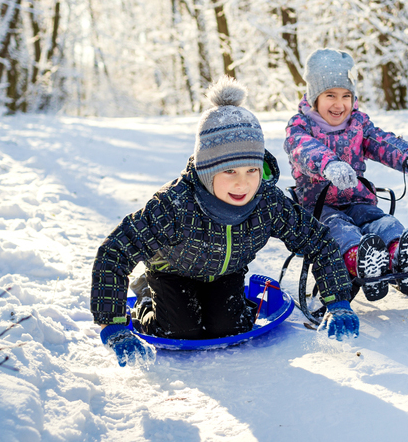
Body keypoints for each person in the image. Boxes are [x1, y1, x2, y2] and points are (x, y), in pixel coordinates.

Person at [91, 77, 358, 366]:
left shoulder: (267, 201)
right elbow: (115, 251)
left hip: (225, 272)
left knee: (231, 327)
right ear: (207, 170)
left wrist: (338, 300)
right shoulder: (175, 204)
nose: (243, 183)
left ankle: (225, 304)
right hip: (172, 271)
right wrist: (113, 324)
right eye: (229, 171)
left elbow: (317, 240)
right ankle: (146, 296)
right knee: (181, 330)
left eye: (251, 170)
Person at [284, 49, 408, 302]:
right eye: (330, 95)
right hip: (318, 207)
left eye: (346, 95)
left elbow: (382, 141)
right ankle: (360, 260)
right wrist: (329, 165)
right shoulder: (300, 126)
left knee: (381, 222)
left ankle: (401, 254)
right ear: (314, 98)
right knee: (339, 229)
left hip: (358, 200)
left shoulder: (358, 124)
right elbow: (303, 149)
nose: (339, 104)